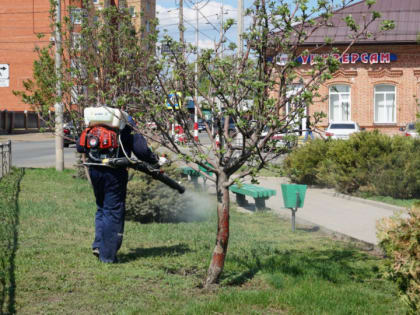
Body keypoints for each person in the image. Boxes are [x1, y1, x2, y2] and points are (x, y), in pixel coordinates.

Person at [77, 115, 159, 263]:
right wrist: (155, 160)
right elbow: (141, 150)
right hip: (115, 173)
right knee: (113, 211)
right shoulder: (126, 122)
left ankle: (98, 245)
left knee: (102, 207)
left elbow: (80, 146)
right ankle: (107, 256)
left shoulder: (95, 121)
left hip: (95, 170)